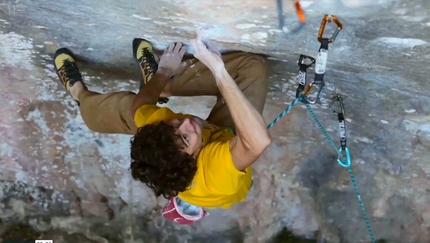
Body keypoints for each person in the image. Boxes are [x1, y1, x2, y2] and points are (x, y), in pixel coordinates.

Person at [52, 34, 271, 224]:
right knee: (252, 68)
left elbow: (141, 106)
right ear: (192, 160)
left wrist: (164, 71)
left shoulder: (165, 130)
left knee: (127, 112)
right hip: (221, 144)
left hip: (196, 143)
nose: (186, 122)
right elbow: (257, 142)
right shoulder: (214, 171)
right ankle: (85, 96)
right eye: (184, 138)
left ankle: (82, 94)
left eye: (175, 126)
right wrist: (218, 71)